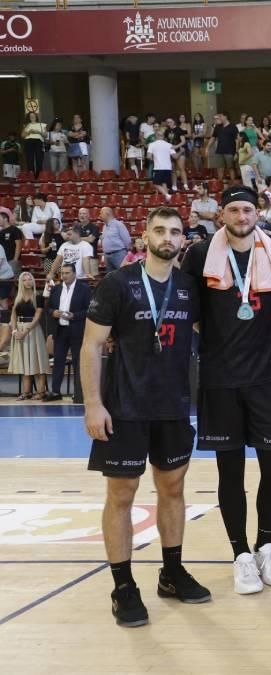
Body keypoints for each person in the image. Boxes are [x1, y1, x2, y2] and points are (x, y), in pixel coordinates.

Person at [82, 207, 210, 627]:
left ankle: (171, 573)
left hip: (173, 406)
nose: (167, 238)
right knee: (122, 494)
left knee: (173, 489)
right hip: (124, 408)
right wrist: (93, 404)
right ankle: (123, 586)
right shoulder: (119, 284)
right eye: (159, 230)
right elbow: (90, 347)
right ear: (144, 235)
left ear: (182, 240)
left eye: (175, 232)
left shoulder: (190, 287)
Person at [180, 185, 271, 594]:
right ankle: (241, 555)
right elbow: (187, 306)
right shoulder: (199, 255)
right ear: (222, 215)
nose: (242, 216)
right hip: (220, 378)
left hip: (268, 377)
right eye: (233, 209)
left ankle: (266, 544)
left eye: (247, 209)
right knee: (230, 471)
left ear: (258, 212)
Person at [43, 264, 90, 403]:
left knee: (78, 362)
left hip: (77, 330)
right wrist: (53, 312)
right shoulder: (56, 289)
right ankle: (55, 391)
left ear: (75, 273)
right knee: (58, 361)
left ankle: (78, 393)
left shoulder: (85, 289)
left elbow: (90, 310)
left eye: (67, 273)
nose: (64, 275)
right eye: (62, 273)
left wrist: (74, 315)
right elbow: (48, 307)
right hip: (60, 330)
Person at [7, 271, 50, 400]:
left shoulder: (38, 296)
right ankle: (27, 392)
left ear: (33, 281)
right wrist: (14, 331)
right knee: (24, 362)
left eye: (29, 279)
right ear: (21, 282)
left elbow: (37, 316)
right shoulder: (17, 297)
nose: (27, 282)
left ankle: (41, 392)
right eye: (25, 280)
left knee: (38, 361)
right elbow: (13, 315)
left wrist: (25, 332)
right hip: (19, 330)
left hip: (33, 330)